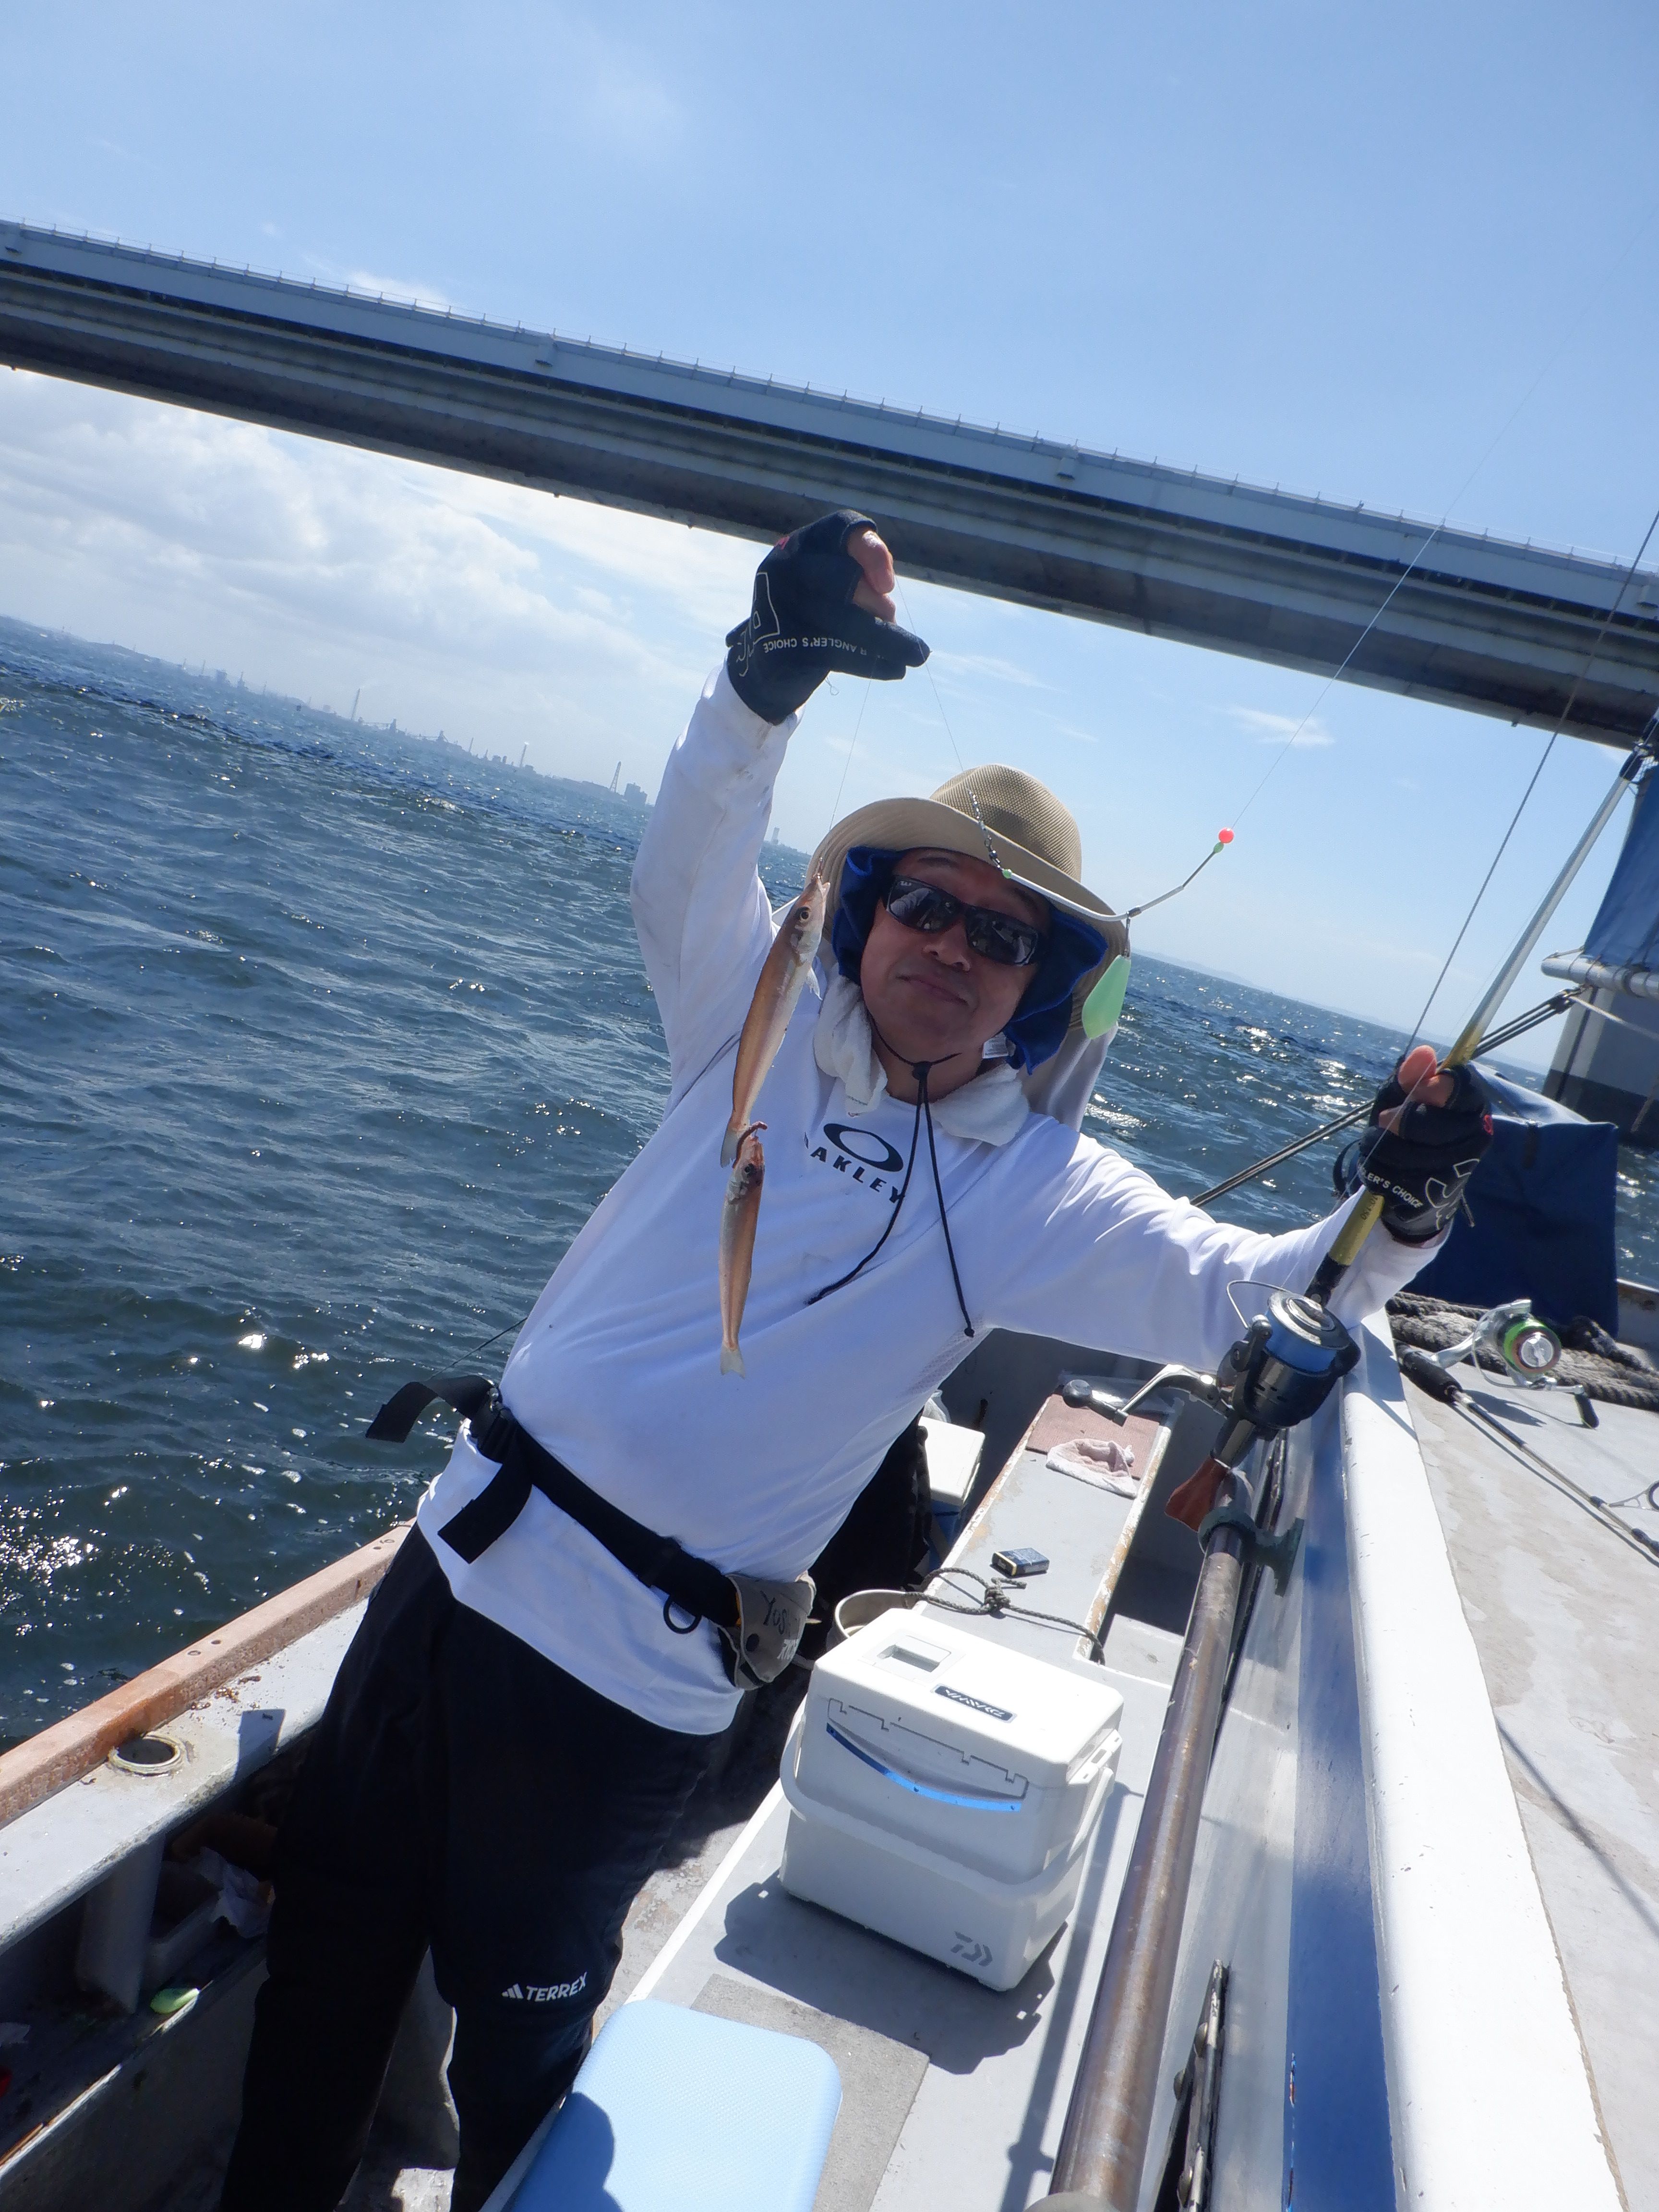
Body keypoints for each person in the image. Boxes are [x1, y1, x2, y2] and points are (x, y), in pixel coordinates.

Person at [218, 513, 1490, 2212]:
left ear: (1042, 988)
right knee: (324, 1969)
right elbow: (689, 850)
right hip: (450, 1572)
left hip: (625, 1689)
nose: (951, 947)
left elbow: (1254, 1292)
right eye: (928, 905)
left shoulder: (1041, 1194)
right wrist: (765, 680)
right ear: (869, 910)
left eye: (1000, 937)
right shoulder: (743, 1020)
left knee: (521, 2056)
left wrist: (1408, 1198)